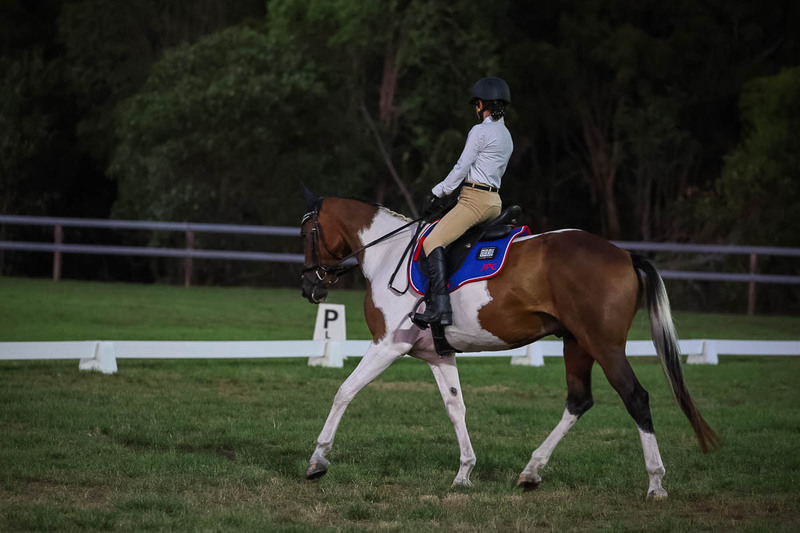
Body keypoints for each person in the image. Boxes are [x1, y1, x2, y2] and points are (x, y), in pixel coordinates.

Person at [413, 76, 514, 327]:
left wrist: (437, 192)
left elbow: (461, 168)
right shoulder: (507, 135)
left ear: (482, 104)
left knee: (432, 240)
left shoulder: (480, 131)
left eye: (477, 104)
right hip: (495, 202)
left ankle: (441, 307)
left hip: (475, 201)